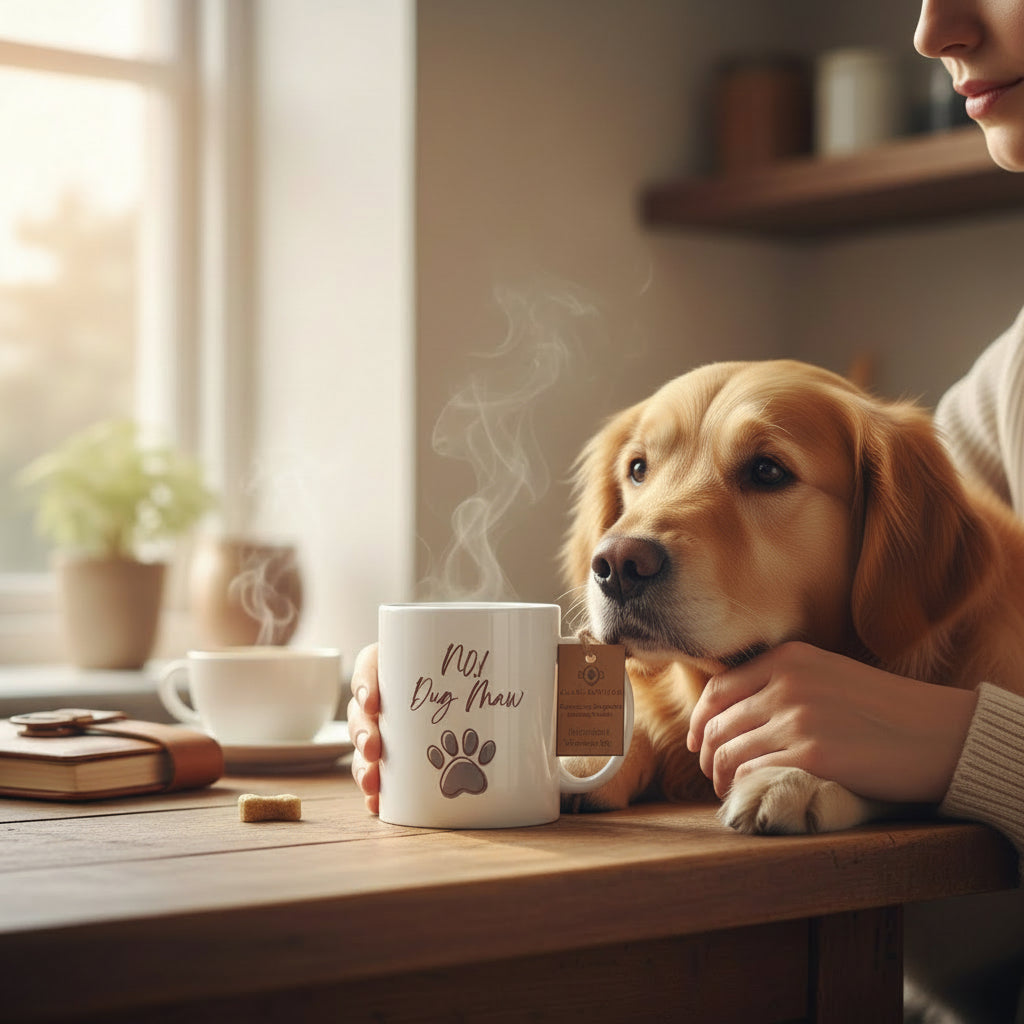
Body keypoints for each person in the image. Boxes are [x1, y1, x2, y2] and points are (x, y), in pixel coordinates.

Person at [351, 1, 1024, 1019]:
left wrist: (956, 746)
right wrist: (561, 730)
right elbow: (919, 598)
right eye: (638, 473)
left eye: (762, 474)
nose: (934, 30)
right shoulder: (1008, 386)